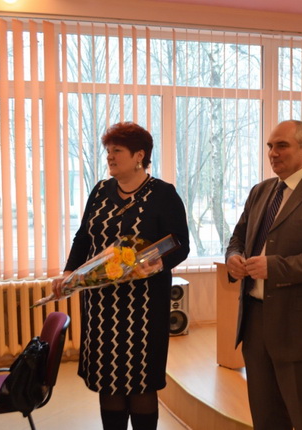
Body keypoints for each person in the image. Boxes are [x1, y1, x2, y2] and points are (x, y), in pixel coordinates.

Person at [52, 122, 189, 430]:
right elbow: (83, 238)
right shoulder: (100, 191)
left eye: (117, 151)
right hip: (102, 307)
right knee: (108, 382)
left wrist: (154, 264)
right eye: (108, 151)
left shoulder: (163, 194)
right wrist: (69, 272)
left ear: (139, 155)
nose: (110, 157)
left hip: (144, 307)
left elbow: (180, 244)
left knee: (141, 383)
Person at [225, 120, 302, 430]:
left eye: (282, 145)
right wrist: (233, 258)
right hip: (255, 321)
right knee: (266, 418)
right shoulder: (261, 191)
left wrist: (275, 267)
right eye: (270, 146)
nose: (273, 152)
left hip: (300, 329)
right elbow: (238, 237)